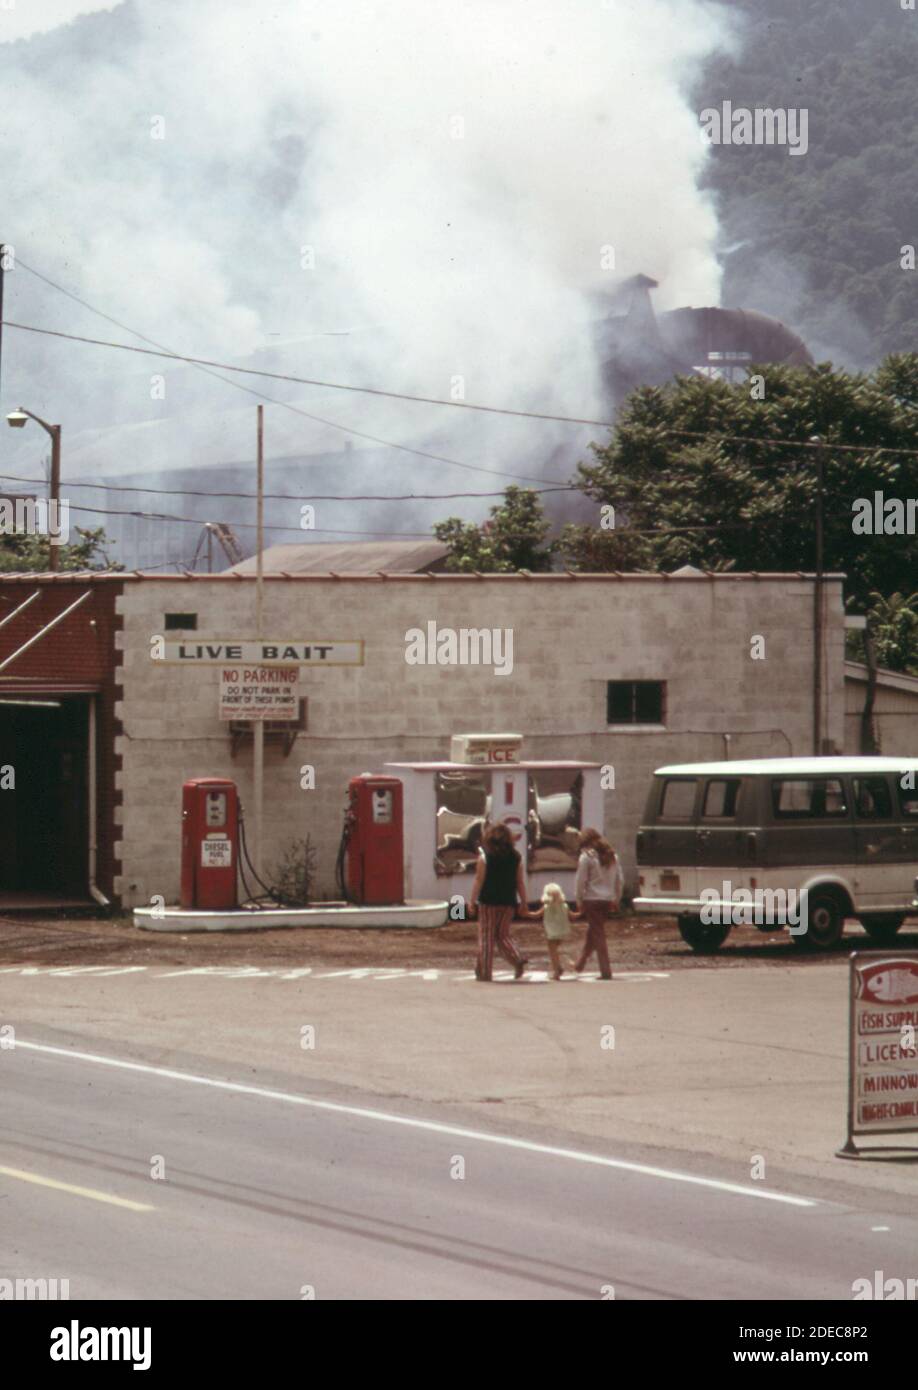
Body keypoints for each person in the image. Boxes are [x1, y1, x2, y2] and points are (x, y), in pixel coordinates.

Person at [468, 822, 530, 981]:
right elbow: (520, 882)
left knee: (486, 936)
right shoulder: (517, 857)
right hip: (508, 901)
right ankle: (517, 958)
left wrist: (471, 901)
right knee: (503, 935)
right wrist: (524, 902)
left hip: (488, 901)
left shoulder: (485, 857)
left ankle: (485, 972)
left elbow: (478, 880)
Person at [574, 827, 623, 980]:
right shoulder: (612, 855)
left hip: (591, 899)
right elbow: (620, 879)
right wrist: (617, 898)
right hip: (607, 899)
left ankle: (605, 970)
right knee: (594, 931)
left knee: (598, 933)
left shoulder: (586, 857)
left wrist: (579, 899)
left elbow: (580, 880)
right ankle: (580, 963)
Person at [529, 882, 580, 980]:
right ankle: (560, 966)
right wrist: (581, 912)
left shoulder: (546, 907)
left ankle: (557, 970)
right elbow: (573, 916)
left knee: (553, 952)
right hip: (562, 931)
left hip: (551, 932)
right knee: (556, 950)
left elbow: (536, 915)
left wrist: (526, 913)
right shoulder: (565, 906)